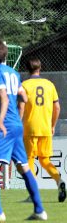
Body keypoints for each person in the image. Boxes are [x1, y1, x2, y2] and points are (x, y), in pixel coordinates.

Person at [0, 39, 47, 223]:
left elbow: (3, 97)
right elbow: (24, 97)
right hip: (16, 125)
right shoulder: (13, 72)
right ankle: (40, 210)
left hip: (5, 125)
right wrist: (18, 117)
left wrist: (1, 120)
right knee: (23, 166)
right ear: (5, 54)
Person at [19, 57, 65, 202]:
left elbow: (21, 107)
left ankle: (33, 194)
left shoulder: (24, 85)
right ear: (40, 68)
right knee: (45, 160)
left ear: (27, 69)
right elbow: (57, 107)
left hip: (30, 128)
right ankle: (59, 180)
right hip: (45, 128)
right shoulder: (49, 85)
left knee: (28, 160)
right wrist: (52, 125)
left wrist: (17, 124)